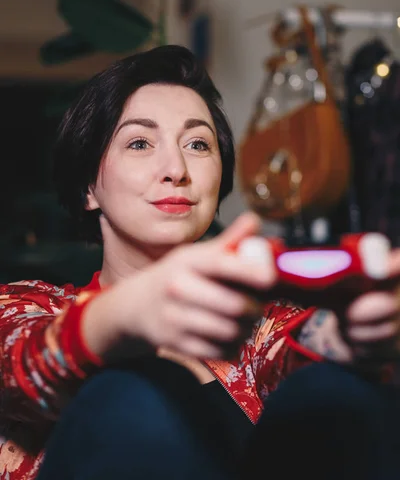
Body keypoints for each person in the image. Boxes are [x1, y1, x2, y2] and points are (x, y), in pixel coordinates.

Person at [0, 45, 399, 480]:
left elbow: (295, 347)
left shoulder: (255, 329)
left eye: (197, 144)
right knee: (138, 389)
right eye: (139, 142)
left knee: (336, 388)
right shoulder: (24, 307)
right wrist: (131, 311)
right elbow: (21, 364)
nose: (176, 169)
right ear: (87, 189)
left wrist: (349, 336)